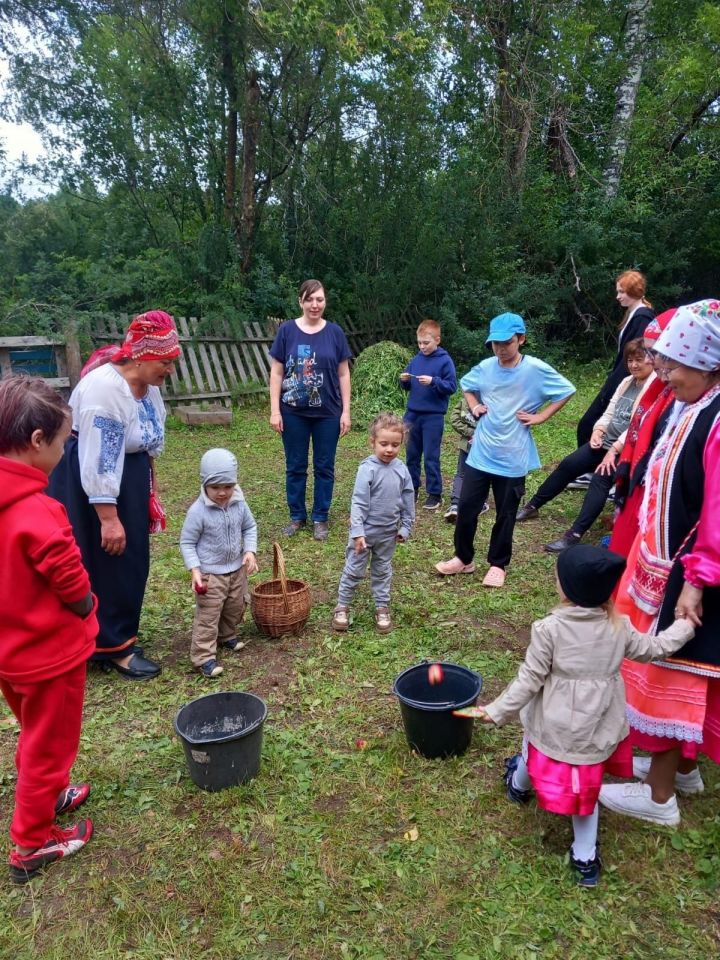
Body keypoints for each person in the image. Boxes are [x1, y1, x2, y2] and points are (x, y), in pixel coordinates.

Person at [467, 545, 693, 887]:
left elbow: (528, 681)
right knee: (587, 793)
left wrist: (496, 711)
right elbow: (654, 649)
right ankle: (585, 858)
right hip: (597, 726)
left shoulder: (549, 629)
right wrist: (685, 627)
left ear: (567, 588)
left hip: (555, 724)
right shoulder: (619, 627)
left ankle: (517, 785)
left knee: (533, 750)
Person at [598, 300, 720, 827]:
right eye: (661, 363)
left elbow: (716, 508)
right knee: (668, 671)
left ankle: (658, 797)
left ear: (708, 365)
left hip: (692, 573)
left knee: (674, 675)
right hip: (666, 561)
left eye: (673, 366)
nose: (663, 375)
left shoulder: (716, 419)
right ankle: (681, 768)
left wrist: (698, 578)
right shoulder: (687, 404)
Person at [0, 376, 99, 883]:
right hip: (49, 657)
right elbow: (68, 575)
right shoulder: (37, 510)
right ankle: (32, 843)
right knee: (49, 744)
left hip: (10, 656)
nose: (64, 452)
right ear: (38, 442)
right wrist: (86, 606)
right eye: (63, 442)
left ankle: (51, 791)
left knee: (35, 734)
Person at [48, 310, 181, 680]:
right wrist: (108, 518)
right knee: (109, 555)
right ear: (140, 355)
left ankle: (116, 634)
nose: (170, 369)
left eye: (172, 362)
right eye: (165, 362)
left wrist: (148, 485)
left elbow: (148, 439)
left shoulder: (149, 387)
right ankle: (112, 647)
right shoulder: (105, 391)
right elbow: (101, 459)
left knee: (132, 557)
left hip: (127, 477)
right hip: (93, 483)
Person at [435, 313, 575, 587]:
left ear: (521, 339)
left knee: (506, 512)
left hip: (512, 456)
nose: (500, 348)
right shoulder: (486, 367)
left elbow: (567, 390)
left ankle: (498, 564)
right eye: (495, 343)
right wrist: (474, 406)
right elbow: (467, 385)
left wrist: (541, 417)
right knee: (466, 508)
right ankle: (463, 558)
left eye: (507, 342)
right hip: (481, 453)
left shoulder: (534, 370)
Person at [516, 339, 656, 552]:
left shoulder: (654, 388)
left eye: (639, 360)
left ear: (652, 360)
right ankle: (533, 506)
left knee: (600, 481)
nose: (634, 365)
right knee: (569, 464)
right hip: (605, 442)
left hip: (626, 449)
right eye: (630, 360)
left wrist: (614, 449)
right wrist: (598, 431)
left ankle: (574, 534)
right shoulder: (627, 382)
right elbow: (610, 412)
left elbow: (640, 426)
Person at [269, 279, 352, 541]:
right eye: (310, 299)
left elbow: (343, 374)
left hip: (328, 412)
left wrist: (346, 411)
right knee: (295, 466)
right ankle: (297, 516)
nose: (315, 305)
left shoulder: (335, 333)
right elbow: (277, 372)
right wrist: (275, 410)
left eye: (320, 299)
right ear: (301, 302)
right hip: (293, 412)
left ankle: (320, 517)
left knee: (324, 466)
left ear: (325, 302)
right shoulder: (287, 331)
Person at [332, 413, 415, 635]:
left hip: (388, 534)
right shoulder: (366, 469)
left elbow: (408, 500)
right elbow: (358, 502)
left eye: (395, 445)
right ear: (372, 442)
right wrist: (358, 533)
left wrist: (406, 526)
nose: (389, 449)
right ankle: (342, 606)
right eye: (384, 444)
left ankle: (382, 607)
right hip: (365, 535)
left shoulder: (402, 470)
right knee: (354, 570)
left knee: (382, 570)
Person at [180, 448, 258, 678]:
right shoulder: (198, 511)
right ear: (205, 484)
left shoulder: (240, 504)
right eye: (215, 487)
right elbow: (187, 542)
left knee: (235, 607)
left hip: (236, 569)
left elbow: (250, 527)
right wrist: (195, 569)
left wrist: (250, 551)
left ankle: (226, 636)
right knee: (208, 615)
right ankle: (203, 657)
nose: (223, 493)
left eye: (228, 486)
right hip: (210, 575)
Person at [609, 310, 677, 558]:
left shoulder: (682, 395)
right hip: (639, 482)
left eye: (656, 352)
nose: (654, 361)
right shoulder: (659, 390)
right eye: (651, 352)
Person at [574, 270, 655, 469]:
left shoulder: (642, 316)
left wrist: (616, 384)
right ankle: (592, 468)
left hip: (625, 380)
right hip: (620, 377)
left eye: (622, 292)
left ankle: (591, 469)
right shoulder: (634, 314)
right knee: (594, 424)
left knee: (589, 423)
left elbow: (636, 357)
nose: (617, 296)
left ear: (634, 291)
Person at [399, 319, 457, 510]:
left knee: (431, 456)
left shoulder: (445, 361)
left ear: (437, 340)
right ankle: (412, 489)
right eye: (419, 343)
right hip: (412, 415)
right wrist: (405, 380)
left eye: (426, 343)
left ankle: (435, 493)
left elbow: (451, 387)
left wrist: (434, 381)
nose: (422, 346)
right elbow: (408, 386)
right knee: (412, 455)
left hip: (433, 416)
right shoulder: (416, 359)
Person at [443, 396, 489, 523]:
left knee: (481, 474)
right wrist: (471, 433)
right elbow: (454, 419)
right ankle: (456, 505)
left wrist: (480, 435)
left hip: (485, 447)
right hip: (467, 446)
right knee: (464, 474)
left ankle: (476, 503)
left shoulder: (492, 402)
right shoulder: (464, 401)